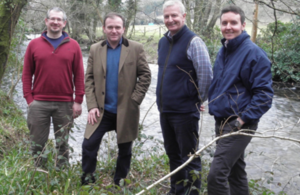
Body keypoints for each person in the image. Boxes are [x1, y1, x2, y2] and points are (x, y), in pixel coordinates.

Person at [207, 5, 274, 195]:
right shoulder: (224, 51)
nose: (228, 27)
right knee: (236, 174)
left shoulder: (254, 54)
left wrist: (242, 120)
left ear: (243, 25)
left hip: (239, 123)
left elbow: (265, 95)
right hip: (221, 120)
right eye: (225, 23)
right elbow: (220, 85)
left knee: (216, 176)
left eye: (233, 23)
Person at [81, 12, 151, 186]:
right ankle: (88, 181)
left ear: (123, 29)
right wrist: (91, 106)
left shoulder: (136, 48)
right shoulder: (95, 49)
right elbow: (88, 78)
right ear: (104, 28)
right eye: (110, 27)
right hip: (101, 111)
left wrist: (134, 100)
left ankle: (119, 182)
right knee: (88, 146)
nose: (114, 30)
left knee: (125, 150)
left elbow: (145, 75)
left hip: (126, 110)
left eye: (117, 27)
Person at [156, 0, 213, 194]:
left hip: (185, 112)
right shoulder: (163, 42)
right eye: (166, 16)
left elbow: (206, 74)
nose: (170, 20)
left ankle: (193, 192)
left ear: (184, 16)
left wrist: (198, 100)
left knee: (189, 157)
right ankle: (177, 190)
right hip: (165, 110)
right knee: (173, 155)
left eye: (174, 16)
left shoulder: (193, 41)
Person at [22, 7, 85, 168]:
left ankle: (62, 175)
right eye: (52, 19)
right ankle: (38, 176)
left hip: (65, 104)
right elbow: (27, 73)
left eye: (59, 20)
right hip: (39, 103)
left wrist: (78, 101)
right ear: (46, 21)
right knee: (37, 144)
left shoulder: (74, 45)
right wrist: (29, 99)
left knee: (62, 145)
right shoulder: (33, 45)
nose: (55, 22)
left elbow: (79, 75)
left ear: (64, 23)